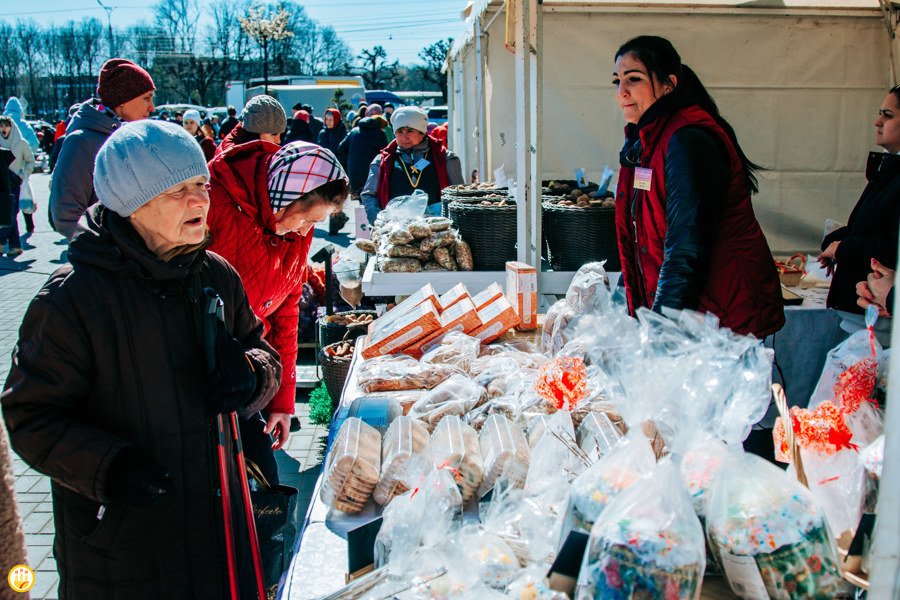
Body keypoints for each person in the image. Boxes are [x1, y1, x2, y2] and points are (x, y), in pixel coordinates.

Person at [1, 120, 282, 599]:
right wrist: (108, 466)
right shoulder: (70, 301)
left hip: (220, 527)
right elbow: (31, 415)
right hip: (123, 546)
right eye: (177, 190)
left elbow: (262, 351)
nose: (199, 201)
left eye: (201, 185)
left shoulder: (215, 273)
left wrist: (253, 374)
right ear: (132, 202)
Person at [612, 35, 783, 337]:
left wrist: (660, 331)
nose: (622, 92)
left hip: (720, 322)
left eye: (634, 79)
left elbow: (686, 248)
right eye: (617, 81)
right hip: (691, 317)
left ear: (669, 84)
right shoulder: (647, 142)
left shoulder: (688, 140)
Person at [207, 141, 348, 484]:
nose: (305, 231)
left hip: (249, 372)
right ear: (287, 199)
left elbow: (285, 316)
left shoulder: (293, 228)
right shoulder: (217, 205)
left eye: (314, 224)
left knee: (264, 477)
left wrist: (282, 402)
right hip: (207, 378)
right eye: (306, 219)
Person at [50, 58, 155, 241]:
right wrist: (106, 252)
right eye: (146, 98)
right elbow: (65, 215)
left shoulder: (134, 137)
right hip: (107, 262)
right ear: (123, 100)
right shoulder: (81, 141)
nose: (152, 107)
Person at [818, 86, 900, 317]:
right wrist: (834, 243)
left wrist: (844, 249)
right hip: (864, 306)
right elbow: (865, 228)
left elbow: (893, 245)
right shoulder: (889, 170)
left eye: (888, 115)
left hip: (880, 313)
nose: (878, 122)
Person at [360, 106, 464, 224]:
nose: (404, 137)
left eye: (410, 131)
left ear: (422, 132)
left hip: (437, 230)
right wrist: (379, 223)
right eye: (399, 131)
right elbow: (369, 195)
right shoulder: (382, 161)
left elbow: (458, 195)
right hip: (395, 231)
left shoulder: (446, 158)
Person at [0, 116, 35, 256]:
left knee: (11, 213)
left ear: (11, 127)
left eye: (5, 126)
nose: (3, 129)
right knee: (7, 214)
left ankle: (2, 242)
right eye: (1, 126)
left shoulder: (21, 143)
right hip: (1, 182)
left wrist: (24, 174)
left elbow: (30, 161)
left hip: (14, 182)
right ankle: (15, 245)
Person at [337, 109, 389, 197]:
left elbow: (340, 148)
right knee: (370, 198)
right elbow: (386, 153)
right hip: (371, 171)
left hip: (353, 170)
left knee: (357, 199)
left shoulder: (354, 131)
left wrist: (351, 158)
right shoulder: (379, 133)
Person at [217, 95, 286, 156]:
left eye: (280, 134)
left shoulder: (235, 153)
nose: (278, 141)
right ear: (255, 132)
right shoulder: (235, 159)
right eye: (274, 134)